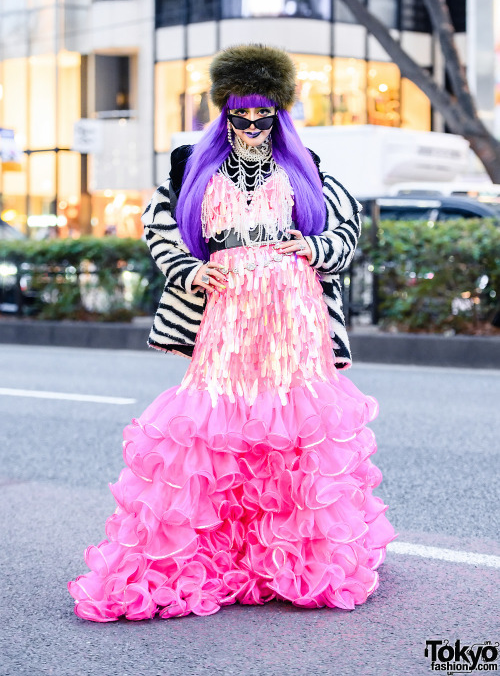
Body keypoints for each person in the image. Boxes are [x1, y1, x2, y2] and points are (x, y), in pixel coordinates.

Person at [67, 44, 397, 622]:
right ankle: (207, 558)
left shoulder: (307, 166)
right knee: (212, 429)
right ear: (224, 113)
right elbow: (159, 224)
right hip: (225, 310)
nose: (250, 126)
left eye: (262, 115)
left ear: (278, 113)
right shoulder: (190, 165)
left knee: (296, 431)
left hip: (295, 311)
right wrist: (189, 269)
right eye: (239, 116)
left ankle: (292, 561)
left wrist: (315, 247)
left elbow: (348, 227)